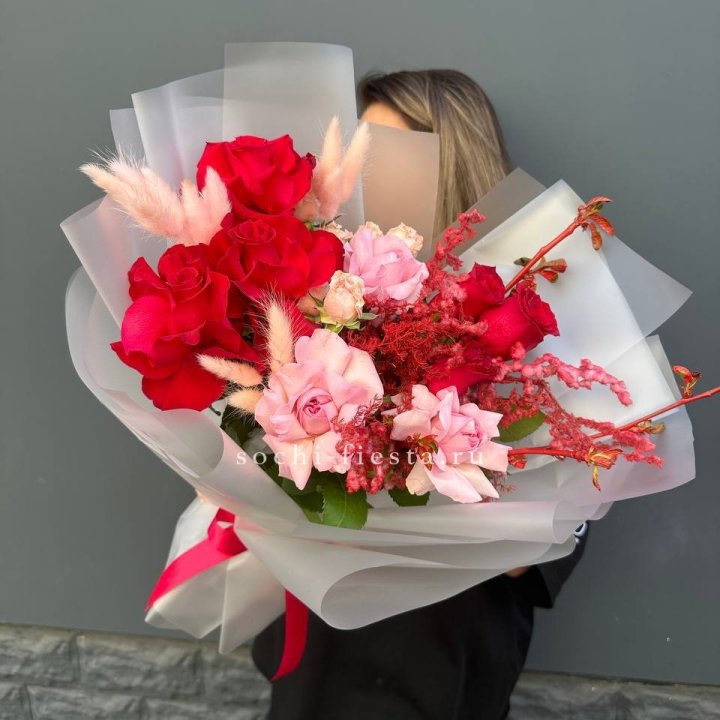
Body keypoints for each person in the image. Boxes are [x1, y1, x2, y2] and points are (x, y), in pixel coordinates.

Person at [252, 68, 588, 720]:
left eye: (384, 156)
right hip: (317, 650)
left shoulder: (521, 321)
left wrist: (435, 460)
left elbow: (535, 555)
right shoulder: (322, 297)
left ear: (449, 164)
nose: (357, 177)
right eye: (355, 154)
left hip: (437, 659)